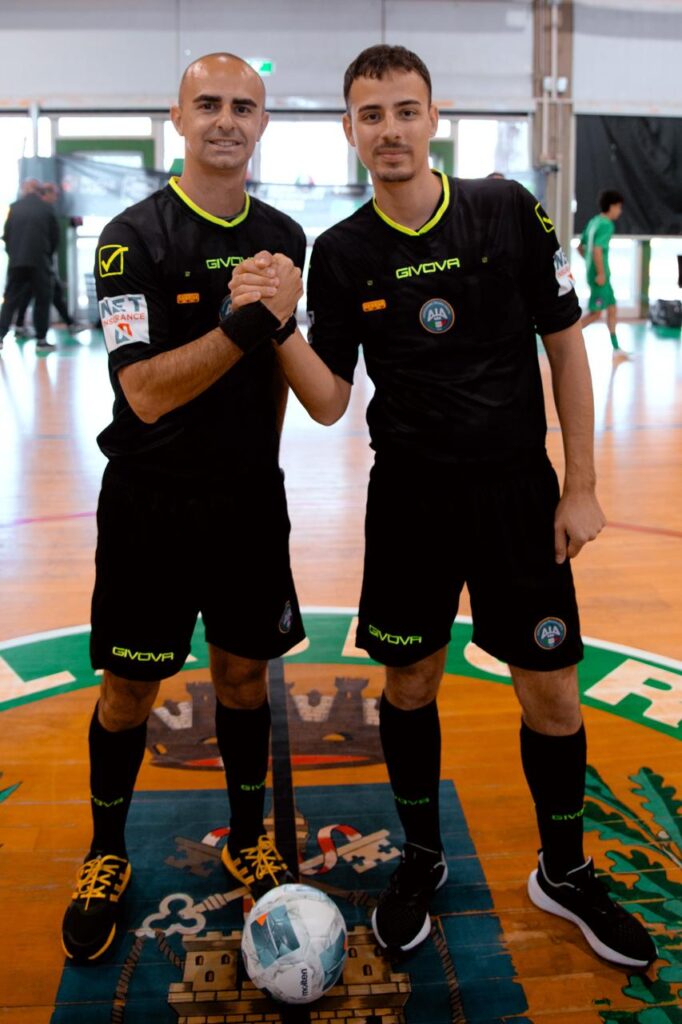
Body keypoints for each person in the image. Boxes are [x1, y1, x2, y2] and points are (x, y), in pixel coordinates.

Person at [228, 44, 657, 971]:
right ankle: (422, 857)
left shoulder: (506, 209)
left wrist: (581, 484)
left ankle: (564, 869)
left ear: (434, 116)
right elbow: (330, 401)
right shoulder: (344, 252)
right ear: (349, 129)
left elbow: (566, 346)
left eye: (405, 111)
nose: (390, 130)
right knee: (410, 684)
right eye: (371, 115)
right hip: (411, 501)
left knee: (552, 690)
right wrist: (274, 325)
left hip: (518, 494)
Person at [60, 52, 306, 965]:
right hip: (149, 507)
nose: (226, 120)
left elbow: (278, 379)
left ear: (263, 122)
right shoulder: (130, 240)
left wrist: (256, 465)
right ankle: (106, 851)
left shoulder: (283, 237)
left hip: (247, 507)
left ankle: (248, 837)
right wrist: (243, 322)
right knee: (128, 690)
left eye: (244, 106)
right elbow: (145, 393)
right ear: (177, 117)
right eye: (208, 103)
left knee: (243, 680)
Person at [0, 178, 59, 352]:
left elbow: (6, 235)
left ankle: (0, 337)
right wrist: (46, 256)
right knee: (42, 300)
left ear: (25, 190)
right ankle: (41, 340)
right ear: (39, 190)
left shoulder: (15, 207)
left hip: (17, 262)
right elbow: (55, 237)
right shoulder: (47, 208)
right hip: (39, 261)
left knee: (10, 300)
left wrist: (14, 255)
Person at [579, 189, 625, 354]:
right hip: (600, 277)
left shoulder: (594, 221)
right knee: (596, 313)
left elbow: (581, 247)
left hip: (598, 274)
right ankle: (568, 338)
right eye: (619, 207)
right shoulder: (606, 224)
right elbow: (597, 249)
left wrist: (589, 264)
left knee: (612, 307)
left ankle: (616, 347)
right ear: (612, 206)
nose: (620, 211)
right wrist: (600, 273)